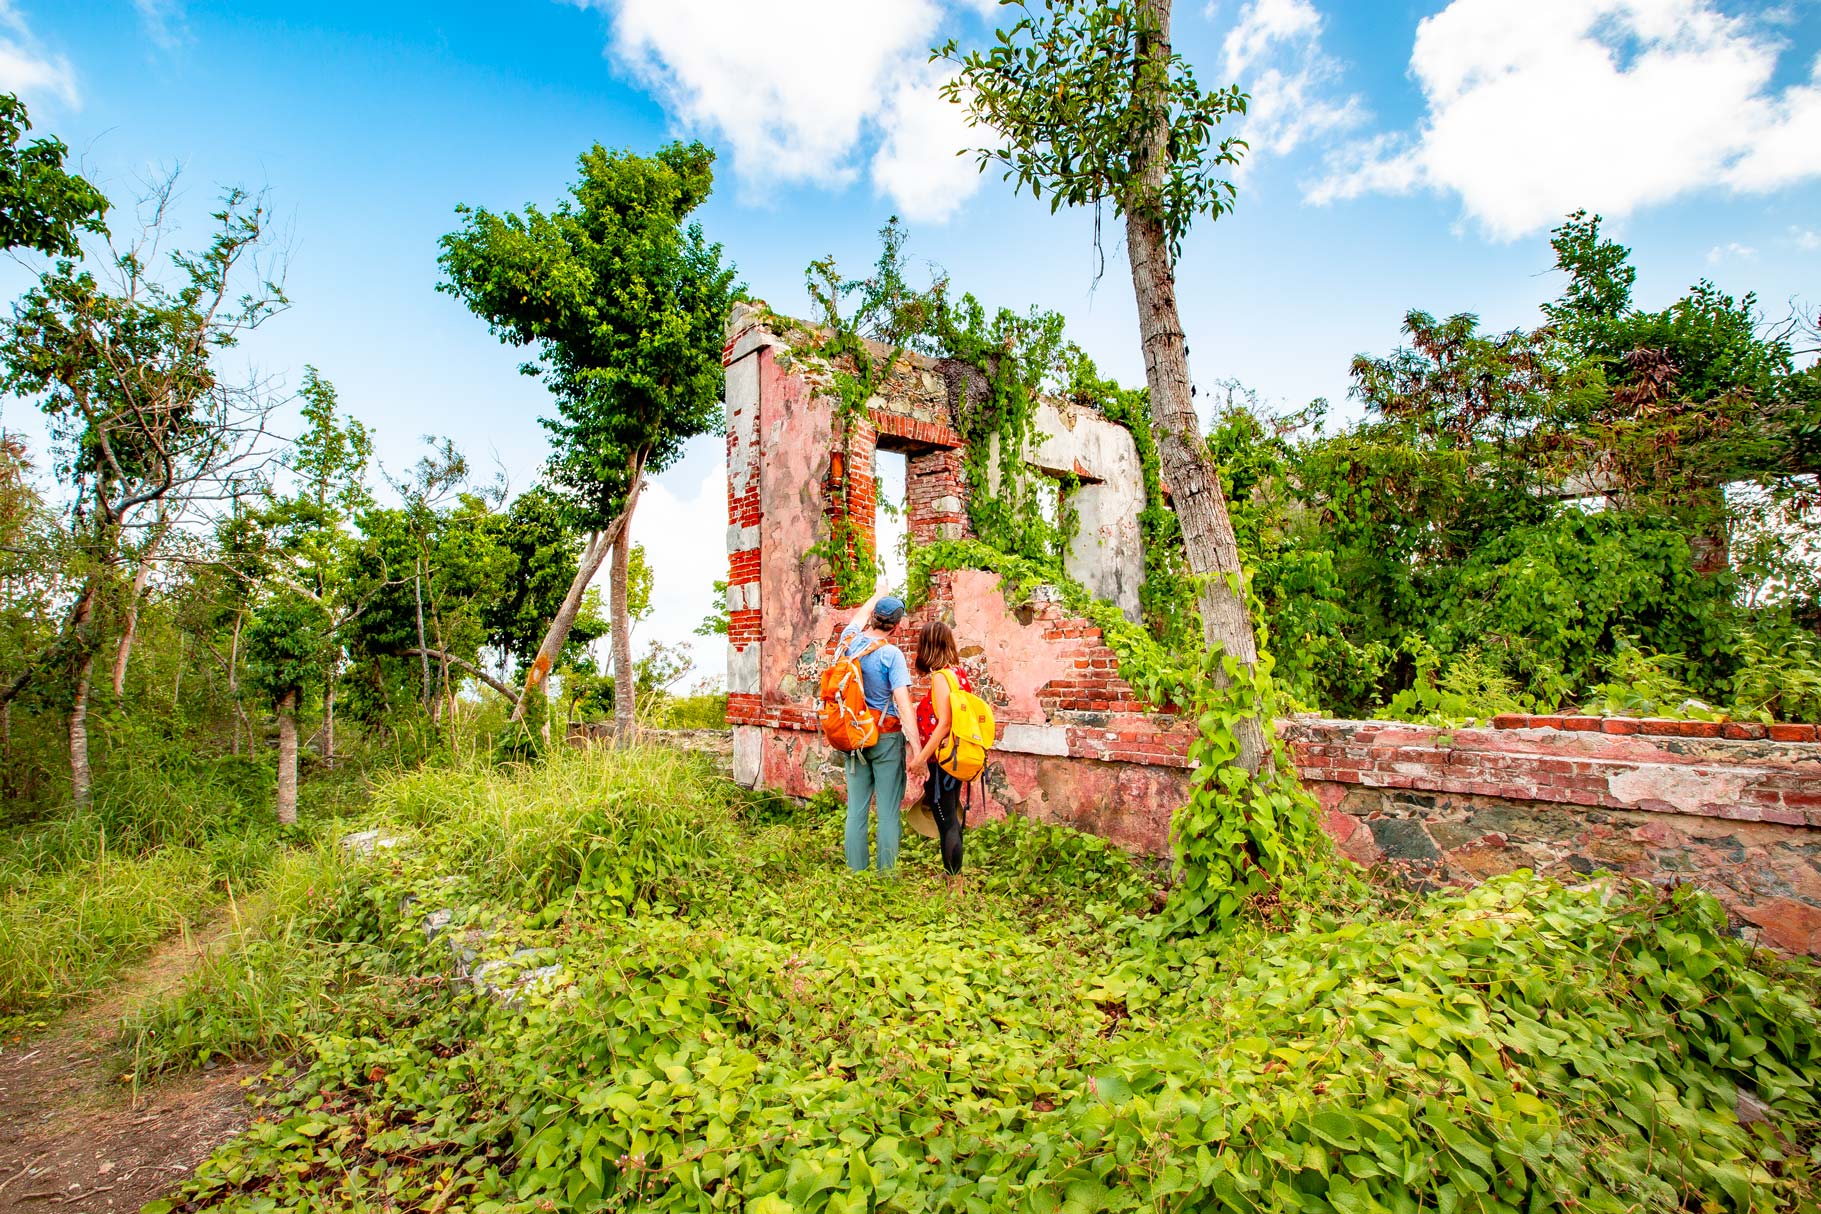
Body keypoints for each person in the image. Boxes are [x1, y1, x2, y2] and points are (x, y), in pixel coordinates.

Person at [837, 586, 922, 873]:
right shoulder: (892, 655)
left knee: (856, 809)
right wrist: (917, 751)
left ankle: (856, 872)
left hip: (854, 736)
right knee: (887, 812)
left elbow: (858, 616)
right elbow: (904, 704)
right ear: (897, 626)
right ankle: (886, 875)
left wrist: (876, 593)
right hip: (885, 737)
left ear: (873, 617)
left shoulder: (848, 642)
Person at [909, 620, 970, 891]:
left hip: (943, 759)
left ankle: (953, 879)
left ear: (928, 646)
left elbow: (944, 723)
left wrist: (922, 757)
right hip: (955, 755)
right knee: (948, 814)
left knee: (945, 818)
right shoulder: (959, 673)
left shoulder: (941, 677)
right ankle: (953, 874)